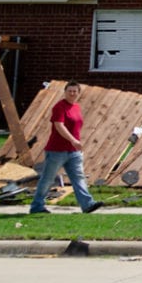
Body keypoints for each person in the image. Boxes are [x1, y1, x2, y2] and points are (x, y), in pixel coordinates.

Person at [29, 81, 103, 214]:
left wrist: (75, 143)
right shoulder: (59, 107)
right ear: (65, 92)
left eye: (75, 91)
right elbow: (59, 125)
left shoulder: (76, 107)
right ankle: (37, 206)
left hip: (74, 151)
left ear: (78, 93)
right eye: (70, 91)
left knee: (78, 178)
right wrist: (73, 140)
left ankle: (87, 205)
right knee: (48, 179)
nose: (72, 93)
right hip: (56, 150)